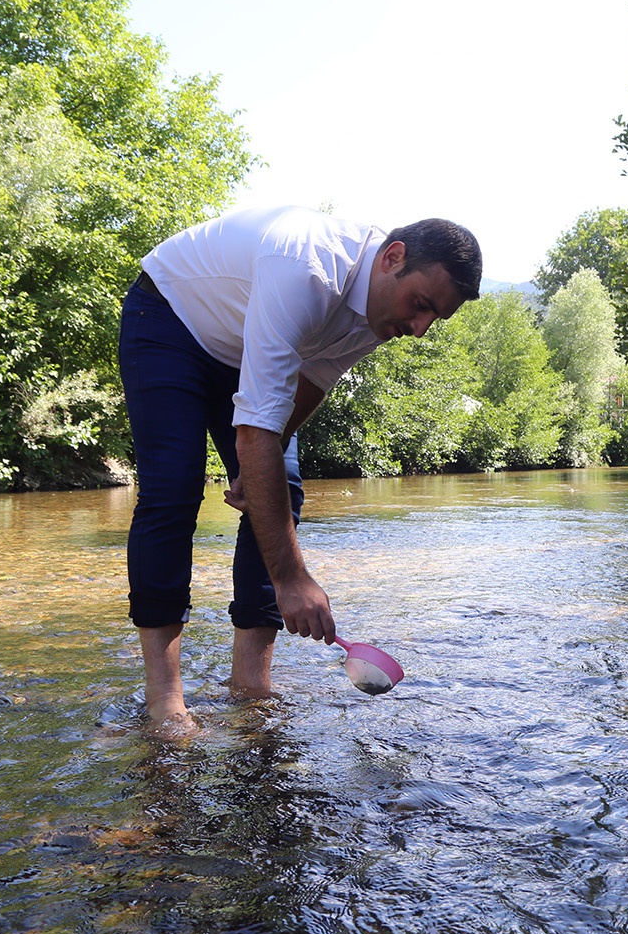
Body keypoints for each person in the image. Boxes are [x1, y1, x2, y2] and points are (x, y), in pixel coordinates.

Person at [117, 205, 482, 732]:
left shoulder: (384, 312)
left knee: (279, 485)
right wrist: (291, 578)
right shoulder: (307, 266)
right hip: (171, 319)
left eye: (435, 318)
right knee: (173, 488)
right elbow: (254, 429)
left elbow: (313, 379)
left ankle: (250, 687)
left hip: (243, 346)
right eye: (421, 305)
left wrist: (259, 465)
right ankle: (165, 700)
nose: (420, 328)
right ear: (392, 258)